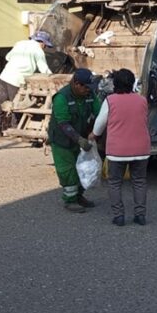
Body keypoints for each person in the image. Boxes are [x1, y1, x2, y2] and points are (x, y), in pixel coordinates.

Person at [89, 68, 151, 226]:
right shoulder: (142, 100)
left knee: (115, 182)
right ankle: (140, 215)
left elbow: (100, 124)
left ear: (115, 84)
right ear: (132, 84)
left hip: (118, 151)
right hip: (141, 149)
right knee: (139, 182)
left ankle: (119, 216)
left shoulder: (110, 100)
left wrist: (93, 136)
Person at [48, 68, 102, 213]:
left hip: (81, 137)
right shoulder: (61, 98)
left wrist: (95, 133)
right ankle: (69, 200)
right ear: (76, 84)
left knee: (82, 169)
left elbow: (100, 113)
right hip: (62, 140)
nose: (88, 90)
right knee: (68, 170)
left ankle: (79, 196)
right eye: (85, 87)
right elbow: (63, 123)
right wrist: (79, 140)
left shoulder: (90, 95)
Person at [0, 31, 53, 135]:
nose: (44, 48)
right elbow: (44, 70)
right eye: (45, 46)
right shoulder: (38, 50)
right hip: (17, 80)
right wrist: (53, 78)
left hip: (5, 76)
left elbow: (7, 57)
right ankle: (16, 129)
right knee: (17, 105)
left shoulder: (20, 43)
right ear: (43, 43)